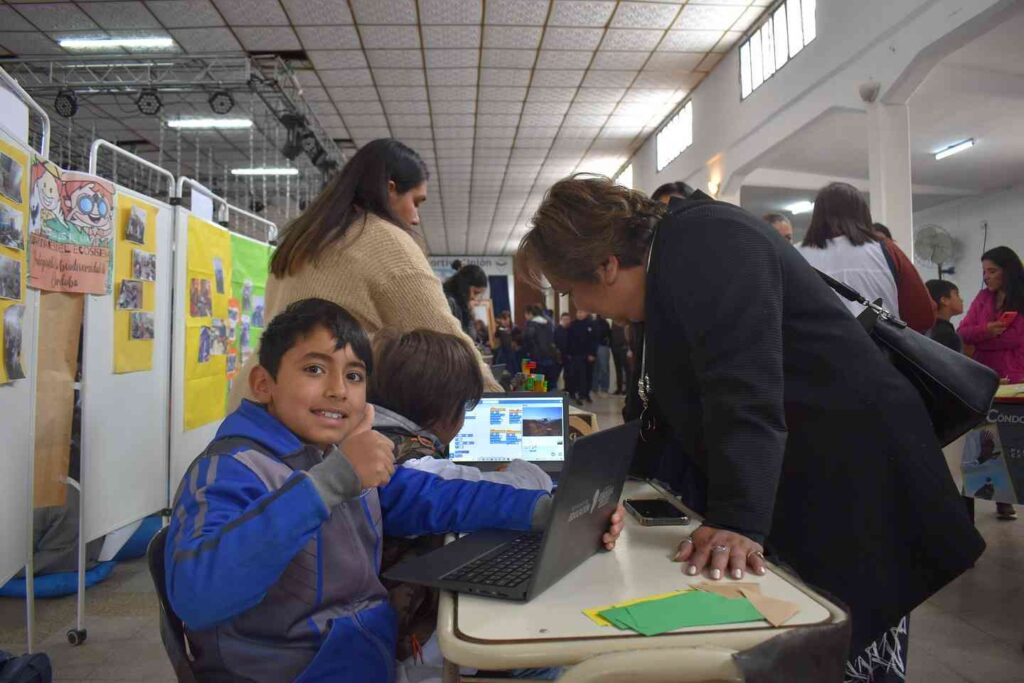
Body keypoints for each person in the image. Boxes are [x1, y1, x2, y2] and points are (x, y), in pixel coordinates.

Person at [517, 175, 983, 682]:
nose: (580, 308)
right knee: (803, 640)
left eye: (571, 292)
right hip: (806, 464)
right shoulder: (667, 266)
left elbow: (742, 388)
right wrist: (621, 486)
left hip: (860, 474)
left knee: (850, 644)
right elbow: (661, 402)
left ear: (606, 266)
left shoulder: (708, 240)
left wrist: (738, 521)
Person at [165, 299, 614, 682]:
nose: (338, 390)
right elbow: (200, 597)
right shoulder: (229, 470)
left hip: (367, 662)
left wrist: (547, 510)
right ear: (264, 384)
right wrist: (331, 483)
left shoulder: (329, 455)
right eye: (315, 368)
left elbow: (437, 497)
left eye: (355, 376)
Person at [228, 138, 500, 412]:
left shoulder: (303, 239)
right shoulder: (383, 239)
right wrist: (497, 399)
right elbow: (447, 339)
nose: (416, 217)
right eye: (416, 201)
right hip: (310, 414)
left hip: (255, 402)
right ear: (390, 190)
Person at [367, 329, 559, 672]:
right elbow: (454, 493)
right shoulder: (405, 460)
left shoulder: (373, 438)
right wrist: (537, 494)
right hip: (413, 653)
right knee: (543, 658)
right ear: (447, 413)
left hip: (396, 625)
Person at [796, 182, 934, 333]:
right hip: (880, 350)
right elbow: (922, 315)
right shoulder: (886, 250)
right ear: (863, 213)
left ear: (817, 214)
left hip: (815, 350)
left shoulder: (796, 254)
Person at [958, 246, 1024, 521]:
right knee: (983, 439)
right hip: (984, 377)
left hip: (1016, 378)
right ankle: (993, 496)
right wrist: (987, 331)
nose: (987, 277)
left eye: (992, 271)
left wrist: (983, 337)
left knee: (1013, 439)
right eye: (984, 271)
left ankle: (1010, 496)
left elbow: (1016, 338)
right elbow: (963, 331)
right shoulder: (983, 298)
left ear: (1008, 271)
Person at [443, 261, 488, 338]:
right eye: (475, 292)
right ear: (465, 286)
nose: (474, 298)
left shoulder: (461, 304)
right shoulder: (449, 302)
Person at [523, 304, 560, 389]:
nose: (525, 317)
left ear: (530, 313)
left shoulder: (530, 325)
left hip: (533, 360)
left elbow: (526, 343)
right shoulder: (549, 324)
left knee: (534, 388)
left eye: (525, 314)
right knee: (550, 386)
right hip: (550, 359)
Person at [567, 309, 597, 405]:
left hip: (588, 355)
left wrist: (592, 353)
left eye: (582, 312)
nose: (579, 314)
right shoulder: (573, 325)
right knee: (577, 376)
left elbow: (594, 340)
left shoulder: (591, 324)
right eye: (578, 312)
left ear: (587, 313)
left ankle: (586, 394)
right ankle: (577, 394)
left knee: (588, 375)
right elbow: (569, 340)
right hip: (576, 355)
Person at [925, 279, 964, 352]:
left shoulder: (926, 329)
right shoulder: (948, 336)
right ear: (944, 300)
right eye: (957, 295)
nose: (961, 300)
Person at [591, 315, 612, 395]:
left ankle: (603, 388)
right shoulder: (595, 323)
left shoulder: (605, 323)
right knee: (596, 368)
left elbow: (608, 335)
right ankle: (596, 387)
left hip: (602, 346)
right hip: (597, 346)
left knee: (603, 368)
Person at [553, 313, 571, 390]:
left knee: (568, 375)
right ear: (561, 320)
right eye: (564, 319)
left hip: (568, 356)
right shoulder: (557, 330)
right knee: (555, 374)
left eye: (568, 319)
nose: (566, 321)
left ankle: (567, 389)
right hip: (559, 356)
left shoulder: (571, 330)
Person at [610, 321, 629, 395]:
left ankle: (627, 389)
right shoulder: (614, 323)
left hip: (623, 348)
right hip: (615, 348)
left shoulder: (625, 322)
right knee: (618, 369)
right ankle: (619, 388)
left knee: (626, 370)